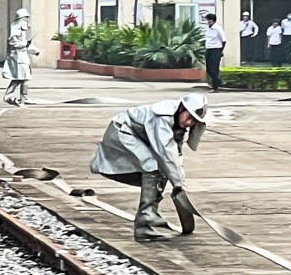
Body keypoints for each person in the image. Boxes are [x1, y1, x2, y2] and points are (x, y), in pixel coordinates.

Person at [89, 93, 209, 242]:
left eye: (194, 121)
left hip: (140, 137)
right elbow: (165, 151)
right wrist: (177, 182)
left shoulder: (178, 123)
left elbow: (176, 154)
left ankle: (145, 223)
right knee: (152, 165)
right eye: (189, 117)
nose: (190, 122)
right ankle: (145, 219)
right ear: (181, 109)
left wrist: (180, 179)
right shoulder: (162, 117)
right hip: (123, 131)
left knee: (163, 171)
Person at [1, 8, 39, 106]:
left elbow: (25, 44)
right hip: (18, 57)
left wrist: (35, 50)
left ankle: (8, 95)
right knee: (25, 78)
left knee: (18, 78)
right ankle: (23, 98)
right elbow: (14, 43)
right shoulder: (16, 29)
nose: (27, 20)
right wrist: (25, 44)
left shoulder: (21, 30)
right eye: (25, 18)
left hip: (21, 55)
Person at [201, 13, 226, 92]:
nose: (209, 22)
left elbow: (224, 40)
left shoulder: (218, 28)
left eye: (210, 21)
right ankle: (218, 82)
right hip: (209, 49)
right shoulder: (208, 29)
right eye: (208, 20)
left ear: (214, 21)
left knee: (214, 69)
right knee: (209, 69)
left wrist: (220, 51)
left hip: (216, 49)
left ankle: (215, 87)